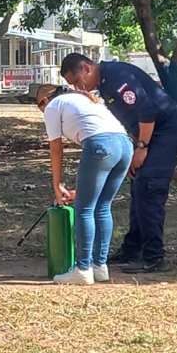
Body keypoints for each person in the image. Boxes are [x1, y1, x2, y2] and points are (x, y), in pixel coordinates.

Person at [59, 53, 177, 273]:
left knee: (150, 189)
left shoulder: (118, 77)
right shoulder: (104, 84)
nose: (77, 88)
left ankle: (154, 257)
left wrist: (142, 147)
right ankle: (132, 249)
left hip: (166, 132)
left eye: (76, 81)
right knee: (139, 186)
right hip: (149, 135)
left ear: (86, 68)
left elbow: (147, 110)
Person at [37, 84, 133, 285]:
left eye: (39, 106)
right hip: (125, 146)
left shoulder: (53, 106)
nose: (41, 111)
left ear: (44, 100)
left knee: (84, 209)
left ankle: (82, 269)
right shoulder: (87, 100)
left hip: (101, 145)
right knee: (102, 206)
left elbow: (56, 149)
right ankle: (100, 267)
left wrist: (57, 184)